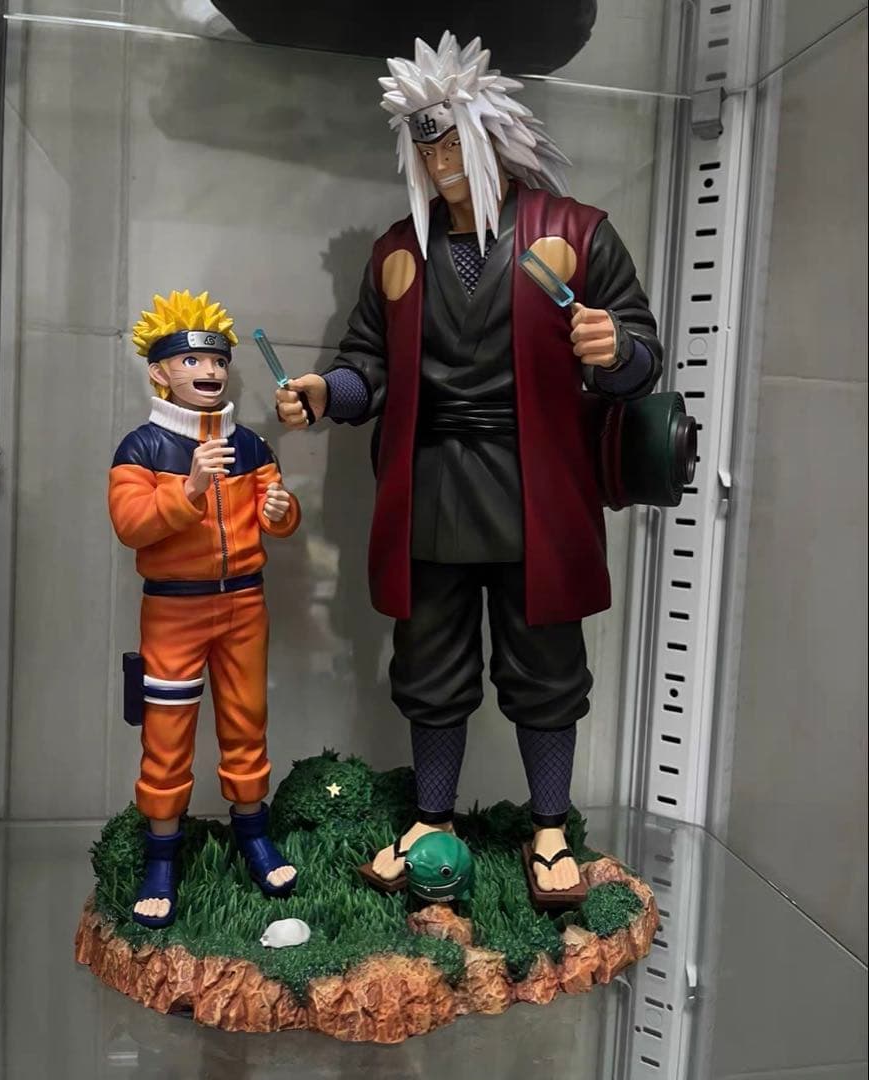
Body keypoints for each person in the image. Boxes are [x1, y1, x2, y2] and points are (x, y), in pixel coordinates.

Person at [277, 33, 663, 894]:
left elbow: (641, 356)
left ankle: (550, 829)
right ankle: (432, 815)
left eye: (451, 139)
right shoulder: (398, 252)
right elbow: (367, 363)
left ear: (493, 134)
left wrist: (613, 349)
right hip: (431, 488)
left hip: (539, 490)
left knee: (546, 666)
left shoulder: (575, 233)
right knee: (430, 665)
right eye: (424, 144)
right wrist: (328, 392)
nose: (439, 159)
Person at [109, 289, 300, 928]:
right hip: (173, 613)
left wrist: (281, 511)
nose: (210, 371)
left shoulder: (250, 445)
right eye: (192, 361)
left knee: (247, 722)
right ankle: (161, 856)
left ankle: (254, 834)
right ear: (160, 373)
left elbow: (279, 514)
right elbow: (131, 526)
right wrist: (190, 489)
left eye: (217, 360)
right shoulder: (141, 448)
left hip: (244, 604)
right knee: (166, 734)